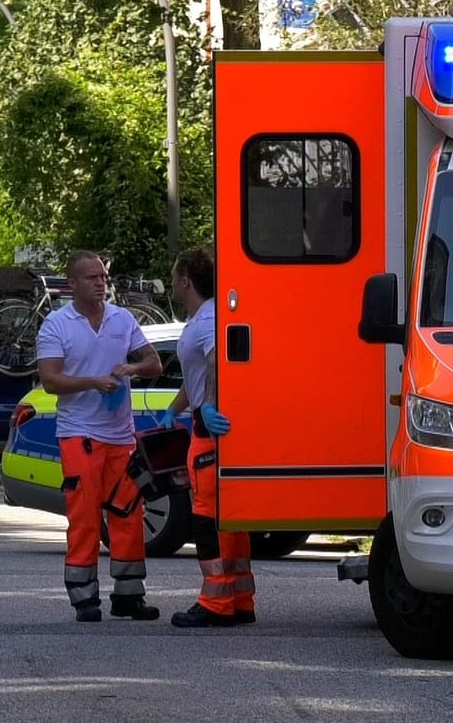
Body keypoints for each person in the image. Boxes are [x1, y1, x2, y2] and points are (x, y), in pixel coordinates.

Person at [36, 250, 164, 623]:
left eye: (103, 277)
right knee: (85, 515)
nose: (100, 283)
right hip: (80, 434)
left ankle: (128, 596)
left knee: (128, 514)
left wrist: (132, 367)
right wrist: (94, 381)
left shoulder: (122, 319)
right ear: (72, 284)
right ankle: (83, 596)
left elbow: (154, 363)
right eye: (91, 278)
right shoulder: (56, 325)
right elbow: (50, 380)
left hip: (121, 436)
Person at [157, 247, 255, 628]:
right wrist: (174, 408)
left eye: (173, 278)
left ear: (185, 281)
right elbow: (196, 375)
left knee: (207, 517)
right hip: (204, 420)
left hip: (208, 430)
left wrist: (208, 406)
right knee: (231, 517)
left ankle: (215, 601)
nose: (171, 284)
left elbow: (217, 362)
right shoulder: (205, 318)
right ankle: (240, 599)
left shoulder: (207, 320)